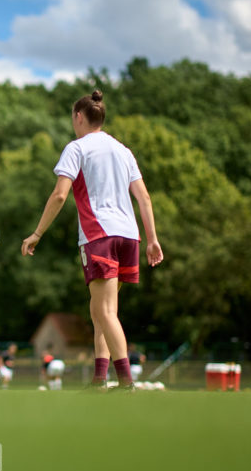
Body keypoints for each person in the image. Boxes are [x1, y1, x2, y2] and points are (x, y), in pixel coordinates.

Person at [22, 90, 163, 392]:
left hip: (99, 236)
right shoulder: (123, 150)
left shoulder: (77, 148)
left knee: (105, 311)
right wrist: (152, 239)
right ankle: (100, 377)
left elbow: (60, 194)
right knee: (100, 308)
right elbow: (144, 197)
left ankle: (126, 381)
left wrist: (37, 233)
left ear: (78, 117)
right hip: (129, 236)